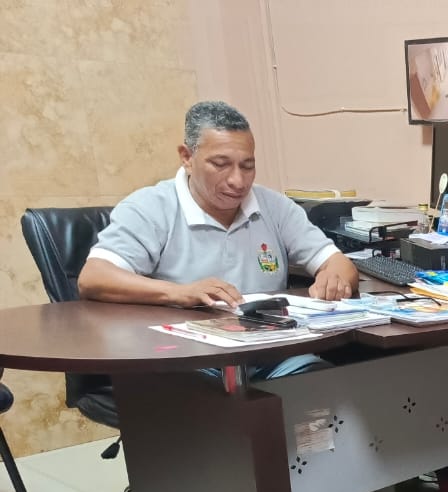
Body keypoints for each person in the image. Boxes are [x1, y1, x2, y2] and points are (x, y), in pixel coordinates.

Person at [79, 100, 359, 379]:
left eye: (247, 166)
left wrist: (333, 278)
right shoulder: (150, 208)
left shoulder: (274, 207)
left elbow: (338, 263)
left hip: (270, 353)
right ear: (187, 157)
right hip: (188, 359)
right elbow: (94, 277)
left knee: (322, 384)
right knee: (212, 398)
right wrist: (179, 293)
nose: (238, 181)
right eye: (220, 164)